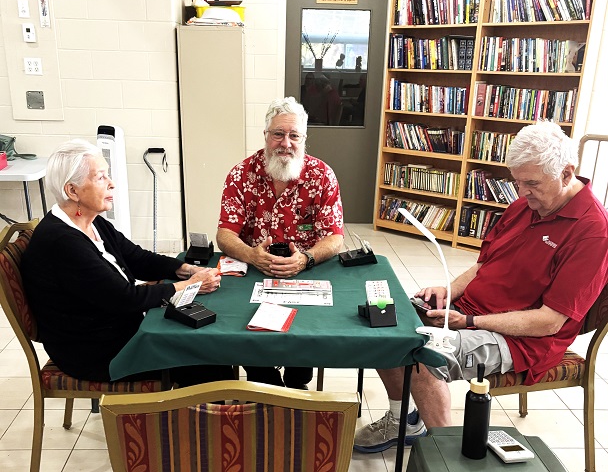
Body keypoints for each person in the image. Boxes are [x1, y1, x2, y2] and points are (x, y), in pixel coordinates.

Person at [354, 121, 608, 453]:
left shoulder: (592, 231)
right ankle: (406, 420)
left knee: (422, 355)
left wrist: (470, 322)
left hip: (522, 340)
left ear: (566, 173)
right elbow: (483, 266)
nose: (522, 192)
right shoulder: (526, 205)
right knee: (384, 325)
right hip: (471, 312)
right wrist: (448, 291)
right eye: (517, 182)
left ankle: (443, 456)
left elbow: (549, 322)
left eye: (531, 183)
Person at [22, 140, 235, 387]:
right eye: (101, 177)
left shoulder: (91, 221)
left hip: (115, 329)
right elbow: (126, 298)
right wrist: (190, 285)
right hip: (96, 351)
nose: (111, 183)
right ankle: (199, 411)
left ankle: (213, 409)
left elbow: (137, 258)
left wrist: (185, 269)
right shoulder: (62, 241)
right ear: (73, 191)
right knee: (207, 356)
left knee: (207, 343)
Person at [217, 96, 344, 389]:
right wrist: (251, 254)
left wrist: (306, 258)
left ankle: (297, 385)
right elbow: (225, 234)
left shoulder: (322, 175)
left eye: (294, 136)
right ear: (265, 135)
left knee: (306, 332)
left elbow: (335, 237)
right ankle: (265, 385)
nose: (286, 143)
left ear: (304, 139)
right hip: (254, 271)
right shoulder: (240, 174)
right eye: (278, 134)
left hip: (306, 272)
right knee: (245, 329)